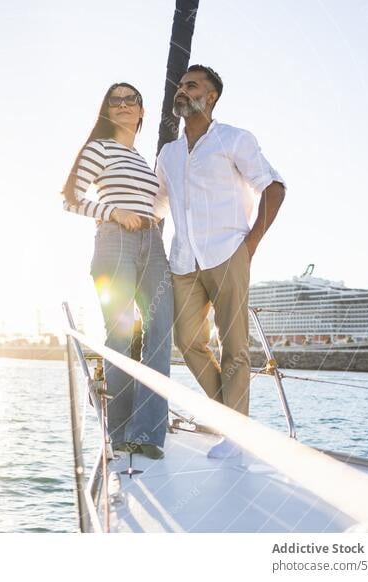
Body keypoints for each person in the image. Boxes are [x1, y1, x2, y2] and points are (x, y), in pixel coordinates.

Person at [155, 65, 286, 458]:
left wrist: (249, 247)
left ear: (210, 96)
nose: (182, 90)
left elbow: (274, 188)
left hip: (228, 252)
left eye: (191, 85)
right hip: (183, 261)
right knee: (187, 340)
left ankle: (235, 435)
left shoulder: (234, 139)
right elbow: (157, 204)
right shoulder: (169, 153)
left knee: (235, 347)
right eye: (180, 85)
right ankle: (231, 418)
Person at [61, 82, 173, 459]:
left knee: (159, 333)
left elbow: (155, 202)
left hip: (152, 242)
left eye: (132, 100)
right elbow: (70, 199)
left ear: (142, 111)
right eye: (116, 100)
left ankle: (148, 433)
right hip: (115, 241)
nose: (124, 105)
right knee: (121, 334)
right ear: (107, 110)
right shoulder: (99, 148)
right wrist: (114, 213)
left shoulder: (141, 159)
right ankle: (121, 431)